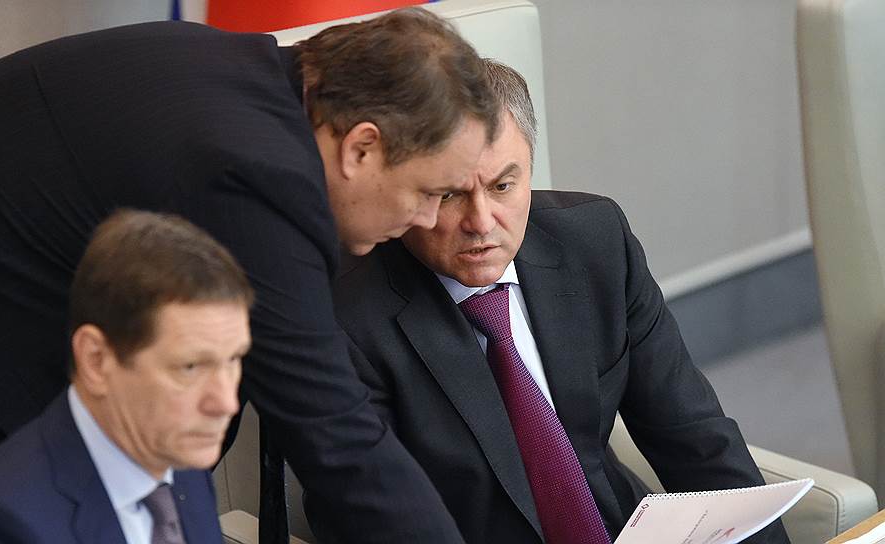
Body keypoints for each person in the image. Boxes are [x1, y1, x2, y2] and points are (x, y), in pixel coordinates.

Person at [0, 8, 499, 543]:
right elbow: (334, 433)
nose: (429, 219)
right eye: (430, 192)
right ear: (362, 148)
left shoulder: (256, 74)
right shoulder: (257, 175)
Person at [329, 61, 790, 543]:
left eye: (502, 186)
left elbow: (694, 438)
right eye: (449, 195)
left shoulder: (595, 241)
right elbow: (373, 523)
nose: (481, 222)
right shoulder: (346, 317)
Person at [0, 209, 252, 543]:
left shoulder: (181, 458)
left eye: (234, 359)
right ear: (96, 360)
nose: (226, 403)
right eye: (190, 367)